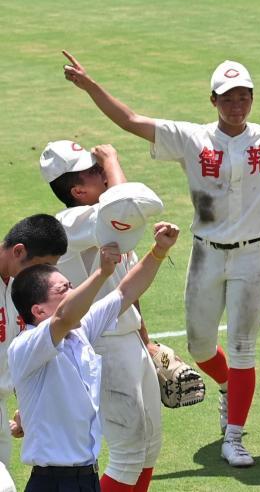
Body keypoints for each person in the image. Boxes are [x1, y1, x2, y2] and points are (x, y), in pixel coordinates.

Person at [61, 49, 260, 466]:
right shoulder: (192, 139)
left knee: (244, 348)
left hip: (252, 257)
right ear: (213, 101)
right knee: (199, 344)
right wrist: (91, 86)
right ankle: (229, 389)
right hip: (205, 253)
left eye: (244, 97)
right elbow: (132, 120)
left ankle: (234, 435)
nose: (237, 105)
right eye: (228, 98)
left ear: (252, 99)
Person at [40, 141, 171, 491]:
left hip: (128, 340)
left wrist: (148, 342)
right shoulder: (72, 222)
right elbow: (134, 204)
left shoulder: (102, 218)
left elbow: (126, 286)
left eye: (100, 165)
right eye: (94, 170)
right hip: (104, 346)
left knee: (147, 450)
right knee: (128, 454)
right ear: (78, 190)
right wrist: (113, 158)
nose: (102, 170)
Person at [9, 222, 179, 492]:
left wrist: (159, 251)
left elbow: (125, 292)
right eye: (64, 290)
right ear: (39, 311)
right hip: (51, 483)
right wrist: (101, 273)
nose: (74, 293)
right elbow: (64, 315)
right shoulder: (26, 345)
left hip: (87, 478)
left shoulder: (81, 330)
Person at [0, 215, 68, 469]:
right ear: (19, 252)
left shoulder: (22, 289)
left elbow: (17, 352)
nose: (44, 276)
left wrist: (25, 407)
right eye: (42, 266)